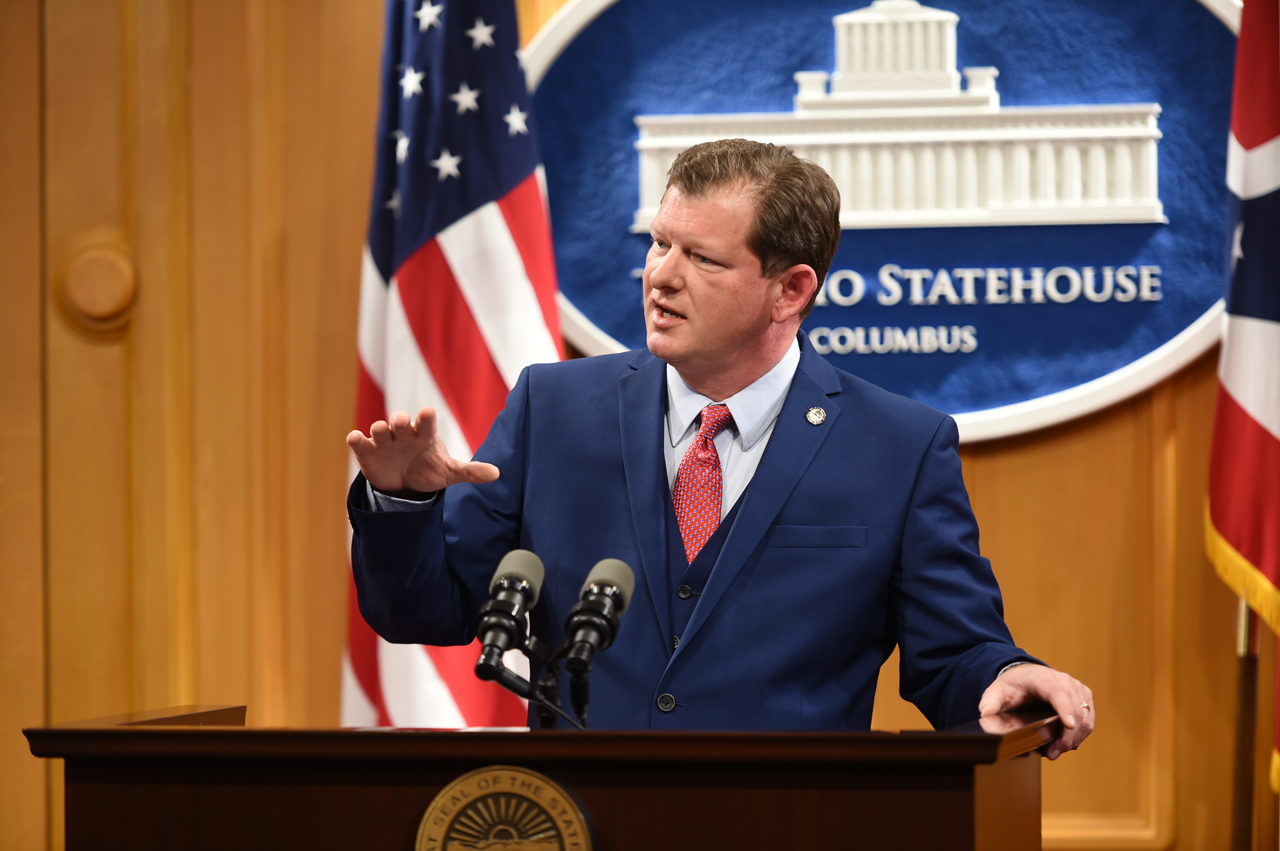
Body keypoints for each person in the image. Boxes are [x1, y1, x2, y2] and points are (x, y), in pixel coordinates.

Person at [347, 139, 1094, 757]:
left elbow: (955, 653)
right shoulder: (554, 408)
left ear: (790, 290)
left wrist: (1009, 673)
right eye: (660, 242)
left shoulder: (899, 447)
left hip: (787, 824)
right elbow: (428, 611)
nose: (660, 276)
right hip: (581, 819)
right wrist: (402, 503)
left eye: (702, 258)